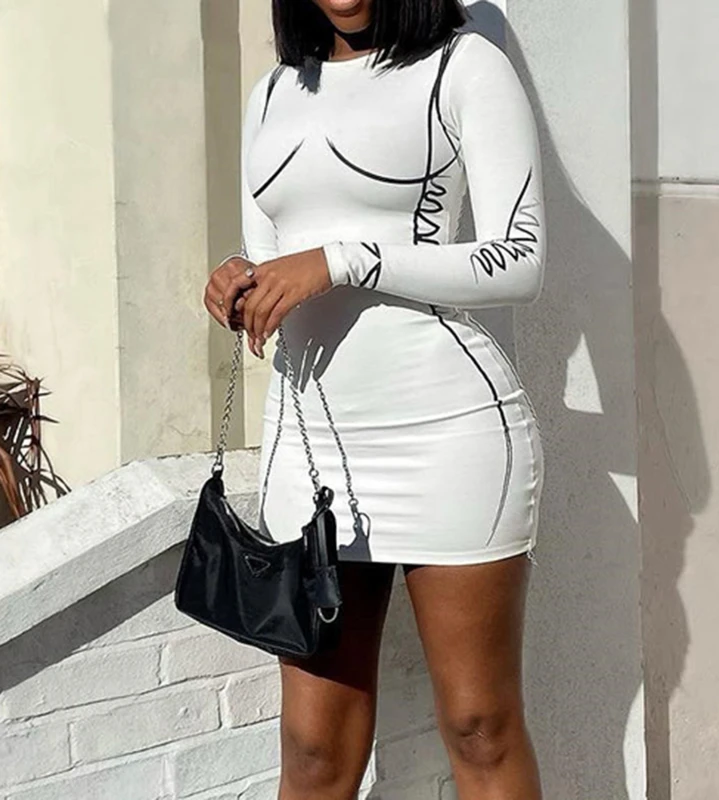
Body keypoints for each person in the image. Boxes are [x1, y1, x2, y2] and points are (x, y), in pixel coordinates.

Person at [203, 0, 547, 797]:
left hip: (448, 433)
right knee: (312, 750)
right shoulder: (272, 92)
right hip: (310, 445)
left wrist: (345, 259)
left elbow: (520, 260)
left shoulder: (464, 66)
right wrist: (237, 281)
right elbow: (272, 255)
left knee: (480, 726)